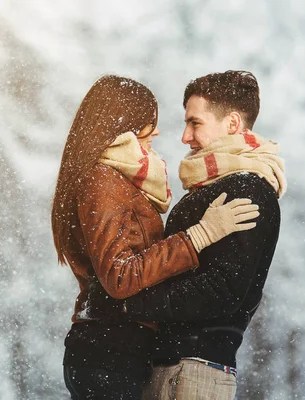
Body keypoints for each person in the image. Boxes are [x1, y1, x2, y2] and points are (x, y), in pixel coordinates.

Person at [51, 74, 261, 399]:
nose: (159, 131)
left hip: (111, 349)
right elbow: (119, 276)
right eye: (149, 121)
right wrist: (199, 236)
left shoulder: (113, 178)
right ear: (122, 123)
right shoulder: (103, 180)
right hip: (110, 351)